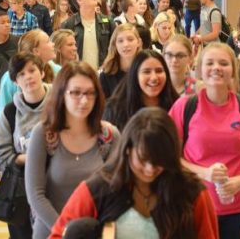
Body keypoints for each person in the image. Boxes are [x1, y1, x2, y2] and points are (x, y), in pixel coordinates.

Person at [50, 107, 218, 238]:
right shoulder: (98, 189)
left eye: (160, 162)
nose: (150, 169)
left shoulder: (192, 193)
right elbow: (58, 235)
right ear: (128, 149)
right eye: (143, 159)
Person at [169, 42, 240, 239]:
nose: (216, 68)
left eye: (223, 63)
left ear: (233, 70)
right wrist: (205, 173)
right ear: (199, 70)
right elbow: (172, 158)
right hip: (194, 204)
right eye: (209, 63)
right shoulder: (184, 107)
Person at [25, 61, 120, 239]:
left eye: (90, 93)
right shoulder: (44, 133)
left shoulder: (109, 136)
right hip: (51, 231)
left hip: (93, 233)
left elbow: (117, 192)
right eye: (76, 93)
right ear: (62, 94)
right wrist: (66, 231)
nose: (84, 100)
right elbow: (35, 195)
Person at [0, 52, 51, 239]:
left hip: (57, 187)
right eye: (21, 74)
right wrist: (30, 157)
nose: (28, 77)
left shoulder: (60, 104)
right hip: (22, 192)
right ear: (15, 81)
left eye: (32, 70)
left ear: (41, 73)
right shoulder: (10, 113)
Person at [104, 50, 179, 131]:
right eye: (146, 72)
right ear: (135, 76)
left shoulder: (178, 106)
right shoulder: (115, 110)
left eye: (159, 71)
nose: (154, 78)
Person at [0, 29, 60, 119]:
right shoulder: (9, 78)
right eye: (48, 41)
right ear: (36, 51)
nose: (53, 44)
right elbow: (2, 116)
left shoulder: (58, 71)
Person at [61, 0, 115, 70]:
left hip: (103, 73)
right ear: (79, 1)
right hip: (78, 73)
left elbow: (114, 48)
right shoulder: (68, 24)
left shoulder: (107, 22)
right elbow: (63, 54)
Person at [99, 23, 142, 99]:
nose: (125, 44)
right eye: (120, 41)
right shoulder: (106, 76)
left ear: (138, 42)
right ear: (115, 45)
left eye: (130, 39)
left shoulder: (146, 70)